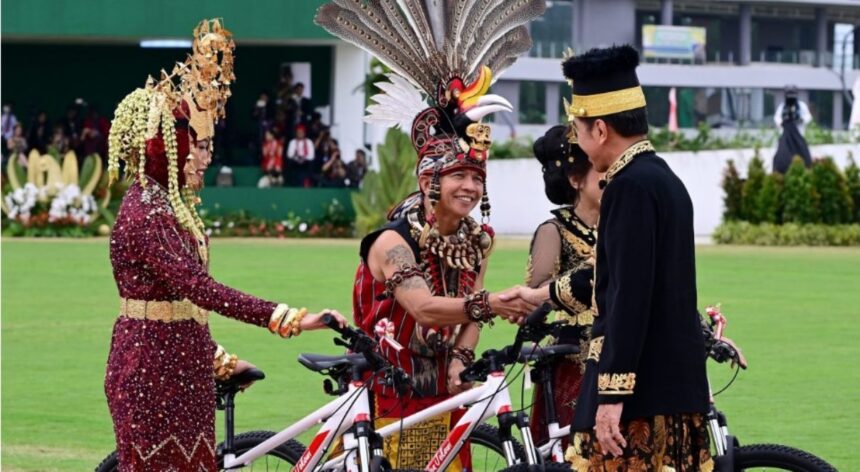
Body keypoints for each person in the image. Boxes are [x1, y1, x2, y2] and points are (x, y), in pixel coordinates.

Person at [103, 20, 346, 471]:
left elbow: (179, 306)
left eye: (209, 146)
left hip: (184, 368)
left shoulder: (173, 208)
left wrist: (215, 358)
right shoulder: (146, 214)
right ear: (166, 147)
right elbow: (199, 289)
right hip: (151, 377)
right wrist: (290, 318)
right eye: (197, 146)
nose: (206, 158)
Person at [316, 0, 546, 469]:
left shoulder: (479, 237)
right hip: (389, 389)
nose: (469, 187)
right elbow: (422, 307)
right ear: (428, 182)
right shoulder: (391, 243)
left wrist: (463, 358)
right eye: (459, 176)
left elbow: (471, 310)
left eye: (477, 178)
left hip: (445, 391)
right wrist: (494, 304)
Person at [562, 45, 713, 470]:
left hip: (641, 397)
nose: (580, 145)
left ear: (601, 130)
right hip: (673, 386)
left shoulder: (628, 187)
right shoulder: (665, 179)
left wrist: (611, 396)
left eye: (578, 131)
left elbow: (629, 297)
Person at [519, 125, 602, 451]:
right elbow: (536, 297)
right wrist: (589, 275)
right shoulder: (554, 231)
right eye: (599, 170)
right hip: (571, 361)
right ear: (575, 179)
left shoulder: (618, 225)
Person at [773, 86, 813, 174]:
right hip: (785, 137)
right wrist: (782, 123)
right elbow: (777, 118)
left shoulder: (801, 106)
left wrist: (801, 120)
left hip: (798, 135)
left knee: (803, 154)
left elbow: (808, 117)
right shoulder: (782, 106)